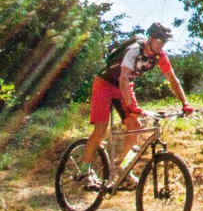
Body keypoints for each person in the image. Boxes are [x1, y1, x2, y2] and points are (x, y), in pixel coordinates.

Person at [79, 22, 193, 189]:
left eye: (164, 42)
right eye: (160, 41)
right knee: (101, 129)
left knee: (135, 126)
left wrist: (185, 103)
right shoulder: (134, 50)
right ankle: (85, 170)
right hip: (105, 84)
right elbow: (123, 78)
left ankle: (123, 169)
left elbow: (172, 79)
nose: (162, 45)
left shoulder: (160, 56)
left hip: (124, 86)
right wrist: (130, 106)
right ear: (151, 38)